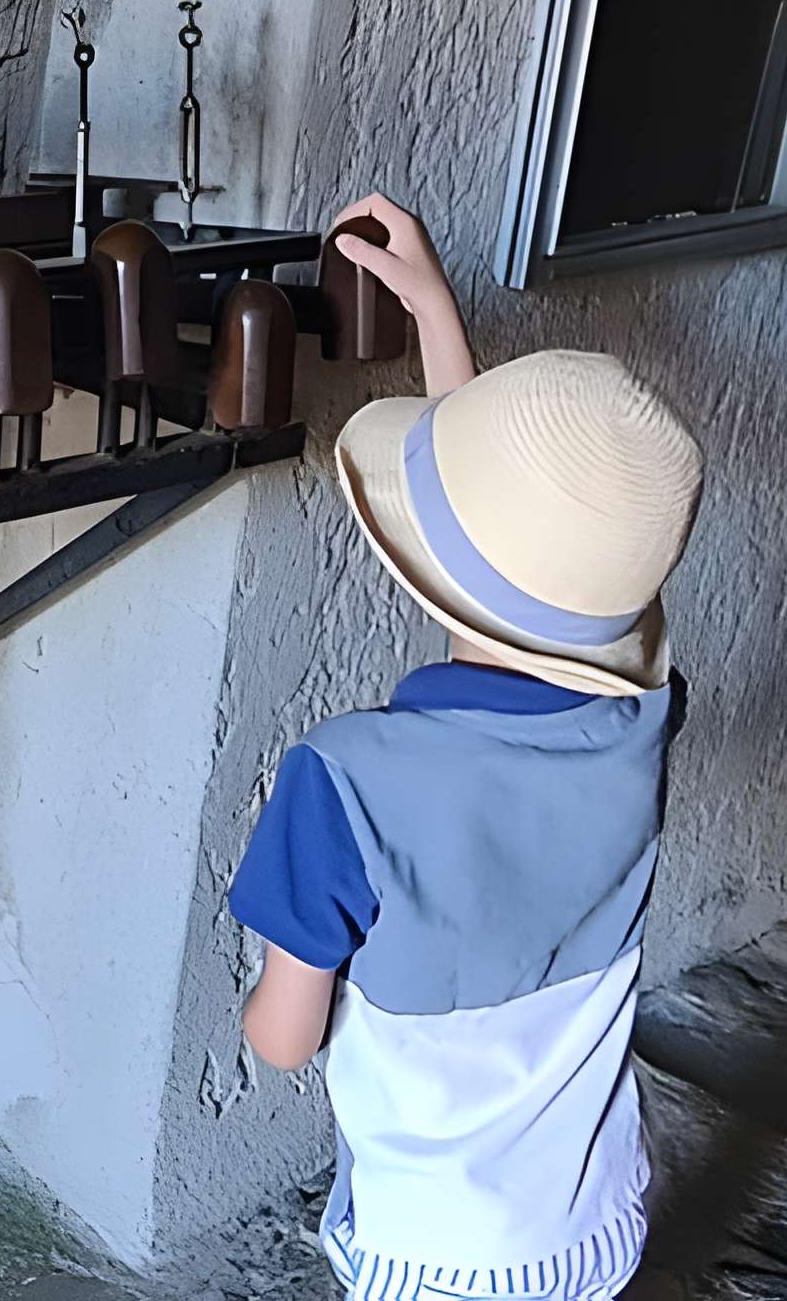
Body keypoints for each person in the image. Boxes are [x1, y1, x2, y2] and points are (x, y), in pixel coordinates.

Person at [227, 193, 703, 1300]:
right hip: (595, 1215)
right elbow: (515, 567)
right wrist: (437, 312)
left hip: (436, 1256)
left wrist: (270, 987)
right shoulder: (640, 720)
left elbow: (284, 1040)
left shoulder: (343, 781)